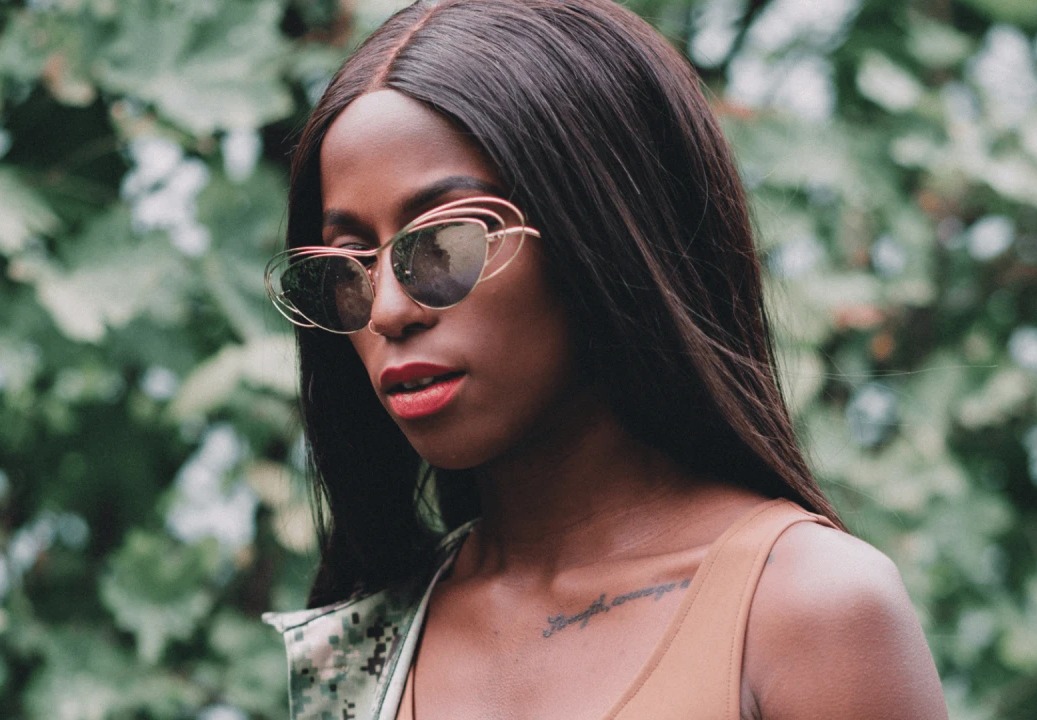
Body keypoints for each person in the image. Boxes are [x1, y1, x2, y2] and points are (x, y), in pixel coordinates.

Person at [260, 1, 949, 719]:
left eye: (446, 241)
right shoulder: (364, 647)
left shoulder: (810, 608)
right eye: (351, 264)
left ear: (599, 234)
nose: (388, 310)